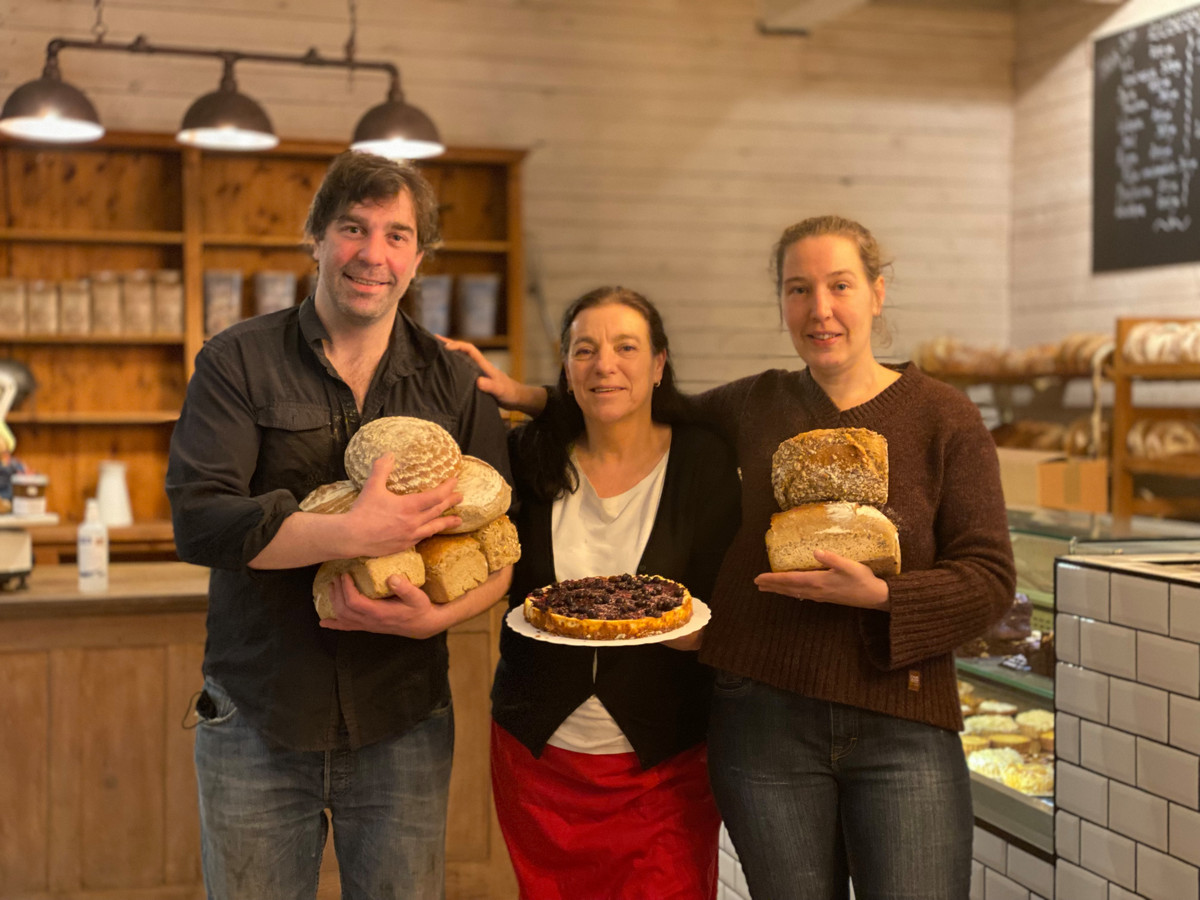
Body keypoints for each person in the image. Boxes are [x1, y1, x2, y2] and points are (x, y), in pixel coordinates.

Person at [446, 215, 1016, 900]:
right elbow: (632, 402)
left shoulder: (942, 416)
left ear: (877, 292)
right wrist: (532, 396)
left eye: (840, 285)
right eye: (798, 289)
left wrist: (885, 599)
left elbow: (991, 579)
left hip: (902, 722)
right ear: (782, 303)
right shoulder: (756, 404)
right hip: (765, 727)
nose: (820, 308)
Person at [166, 150, 513, 900]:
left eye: (396, 235)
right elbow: (200, 523)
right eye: (353, 228)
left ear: (418, 257)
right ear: (317, 237)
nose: (372, 254)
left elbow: (498, 548)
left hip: (403, 723)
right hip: (258, 714)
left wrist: (435, 620)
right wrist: (353, 534)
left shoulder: (453, 378)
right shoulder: (237, 361)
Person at [484, 287, 740, 899]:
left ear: (658, 365)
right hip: (538, 752)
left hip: (665, 760)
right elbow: (498, 578)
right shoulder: (527, 455)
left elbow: (729, 596)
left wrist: (704, 636)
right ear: (566, 369)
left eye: (627, 347)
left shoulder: (704, 460)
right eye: (585, 349)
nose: (605, 365)